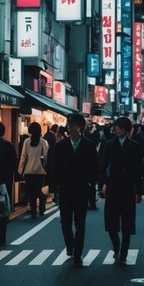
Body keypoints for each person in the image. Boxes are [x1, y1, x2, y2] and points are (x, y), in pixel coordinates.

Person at [51, 113, 99, 266]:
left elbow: (95, 168)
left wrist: (91, 185)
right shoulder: (60, 146)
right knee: (65, 223)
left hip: (81, 190)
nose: (69, 126)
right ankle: (70, 246)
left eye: (72, 124)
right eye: (68, 124)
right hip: (65, 190)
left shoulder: (89, 145)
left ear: (80, 126)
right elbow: (54, 168)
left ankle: (77, 254)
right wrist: (54, 189)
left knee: (80, 224)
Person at [98, 117, 144, 264]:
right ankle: (116, 247)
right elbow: (103, 166)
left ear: (125, 129)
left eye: (119, 127)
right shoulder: (109, 145)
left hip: (128, 188)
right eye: (116, 127)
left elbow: (139, 170)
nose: (116, 130)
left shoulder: (135, 146)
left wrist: (139, 191)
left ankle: (123, 252)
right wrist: (103, 183)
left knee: (127, 223)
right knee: (111, 221)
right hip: (112, 186)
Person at [0, 121, 19, 246]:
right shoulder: (9, 146)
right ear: (4, 132)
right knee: (3, 211)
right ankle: (2, 237)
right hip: (5, 183)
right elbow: (14, 165)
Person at [18, 122, 49, 219]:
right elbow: (45, 156)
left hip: (29, 171)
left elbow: (23, 157)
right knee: (41, 192)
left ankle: (33, 212)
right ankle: (42, 209)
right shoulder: (43, 142)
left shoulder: (26, 141)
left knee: (31, 193)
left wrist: (20, 171)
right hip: (40, 171)